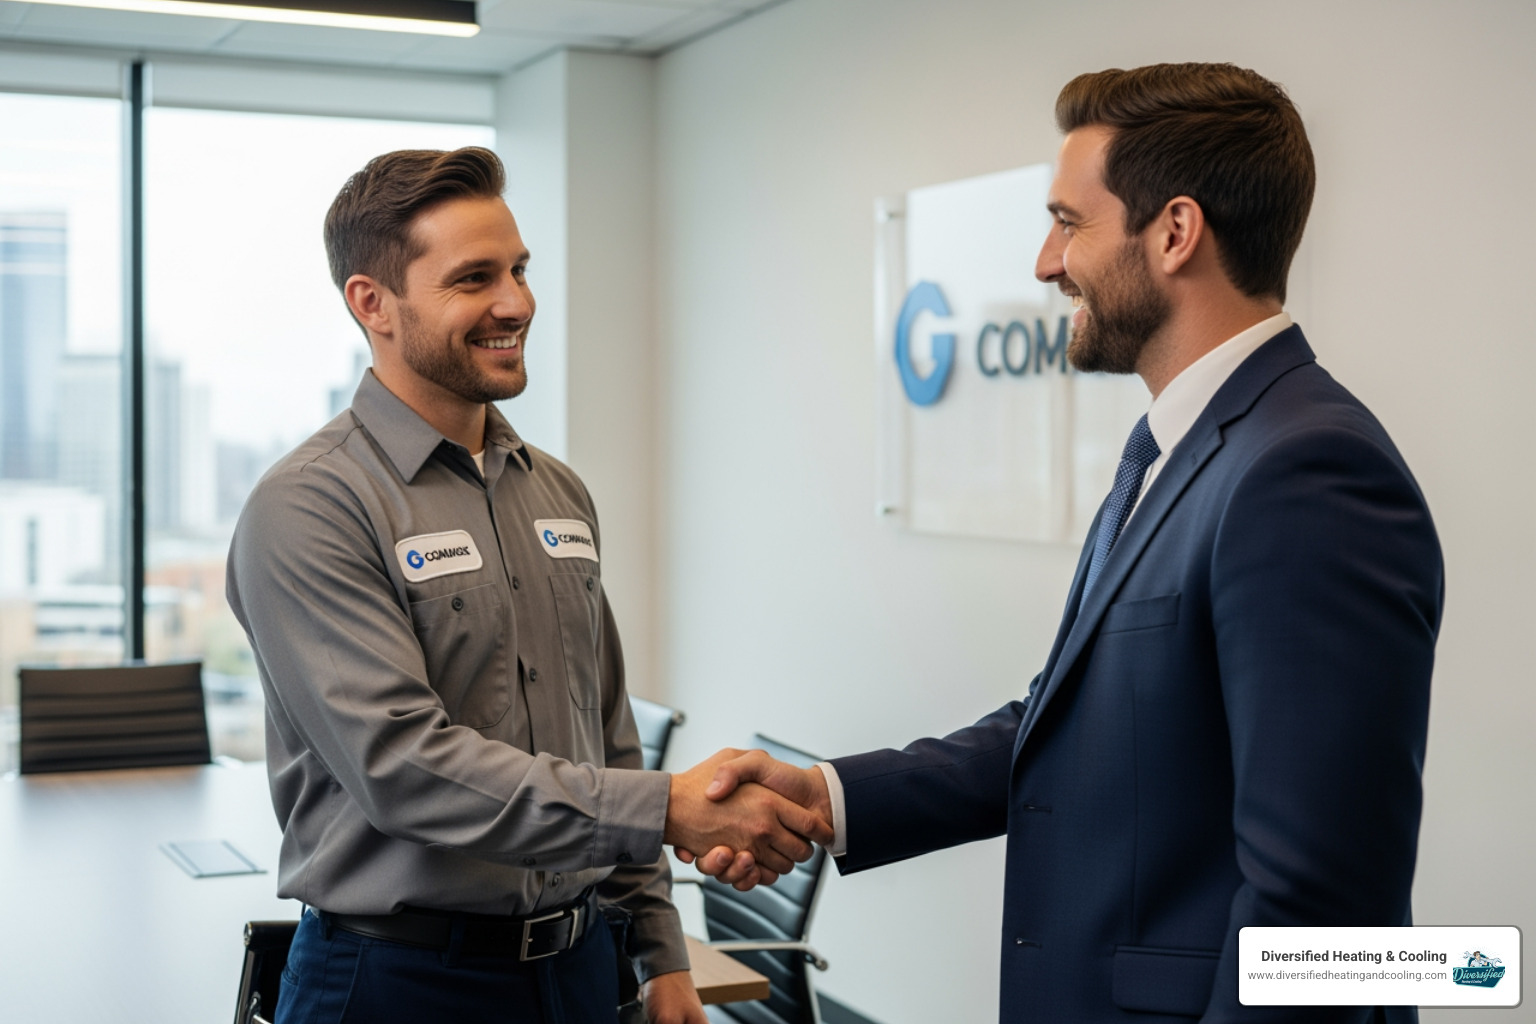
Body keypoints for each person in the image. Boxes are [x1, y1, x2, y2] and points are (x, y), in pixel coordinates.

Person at [692, 63, 1443, 1022]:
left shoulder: (1308, 473)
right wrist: (827, 797)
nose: (1046, 264)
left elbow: (1324, 909)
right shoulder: (1176, 449)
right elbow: (1074, 728)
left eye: (1069, 223)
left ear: (1175, 232)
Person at [226, 146, 830, 1024]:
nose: (516, 303)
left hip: (580, 970)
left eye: (518, 270)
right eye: (474, 278)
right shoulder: (311, 506)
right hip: (398, 983)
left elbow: (608, 733)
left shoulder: (556, 491)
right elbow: (406, 770)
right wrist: (669, 810)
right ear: (372, 304)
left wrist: (659, 952)